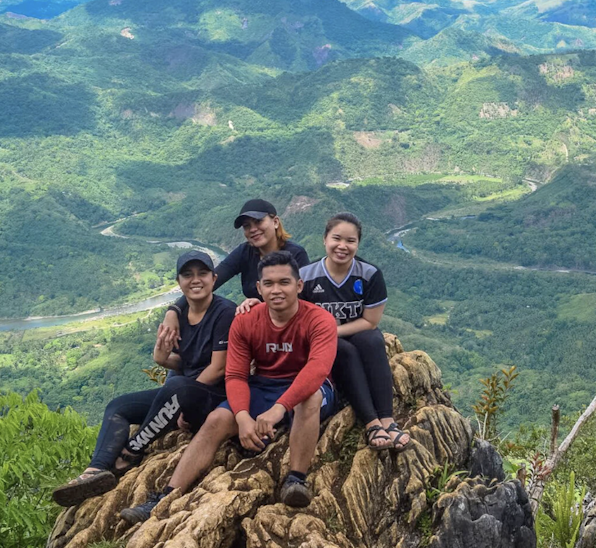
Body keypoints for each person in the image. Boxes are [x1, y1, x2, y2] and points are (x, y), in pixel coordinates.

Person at [120, 250, 338, 523]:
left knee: (310, 399)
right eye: (268, 284)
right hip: (264, 385)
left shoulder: (319, 320)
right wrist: (242, 417)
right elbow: (235, 375)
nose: (276, 290)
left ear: (299, 285)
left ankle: (296, 480)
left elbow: (317, 370)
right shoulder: (246, 321)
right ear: (258, 288)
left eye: (284, 282)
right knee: (217, 419)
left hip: (306, 387)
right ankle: (166, 496)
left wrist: (280, 409)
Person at [52, 250, 236, 507]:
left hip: (213, 397)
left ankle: (130, 453)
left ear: (214, 279)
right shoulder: (180, 317)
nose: (196, 280)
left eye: (202, 274)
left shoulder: (225, 312)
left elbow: (218, 368)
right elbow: (187, 362)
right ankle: (96, 470)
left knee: (177, 386)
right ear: (179, 282)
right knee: (118, 407)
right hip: (182, 394)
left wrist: (186, 399)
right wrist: (162, 359)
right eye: (187, 275)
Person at [299, 213, 409, 452]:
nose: (342, 246)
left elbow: (370, 321)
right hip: (321, 341)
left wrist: (333, 330)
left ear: (357, 244)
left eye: (350, 241)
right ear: (324, 240)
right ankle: (371, 422)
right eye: (336, 238)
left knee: (372, 340)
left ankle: (387, 419)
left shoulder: (369, 274)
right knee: (344, 350)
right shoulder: (305, 276)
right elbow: (289, 310)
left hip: (354, 330)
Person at [157, 199, 309, 345]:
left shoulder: (295, 254)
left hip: (289, 328)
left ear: (275, 222)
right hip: (257, 328)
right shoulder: (245, 252)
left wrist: (262, 306)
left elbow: (302, 299)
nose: (253, 229)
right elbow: (210, 282)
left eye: (258, 222)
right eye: (247, 226)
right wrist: (174, 310)